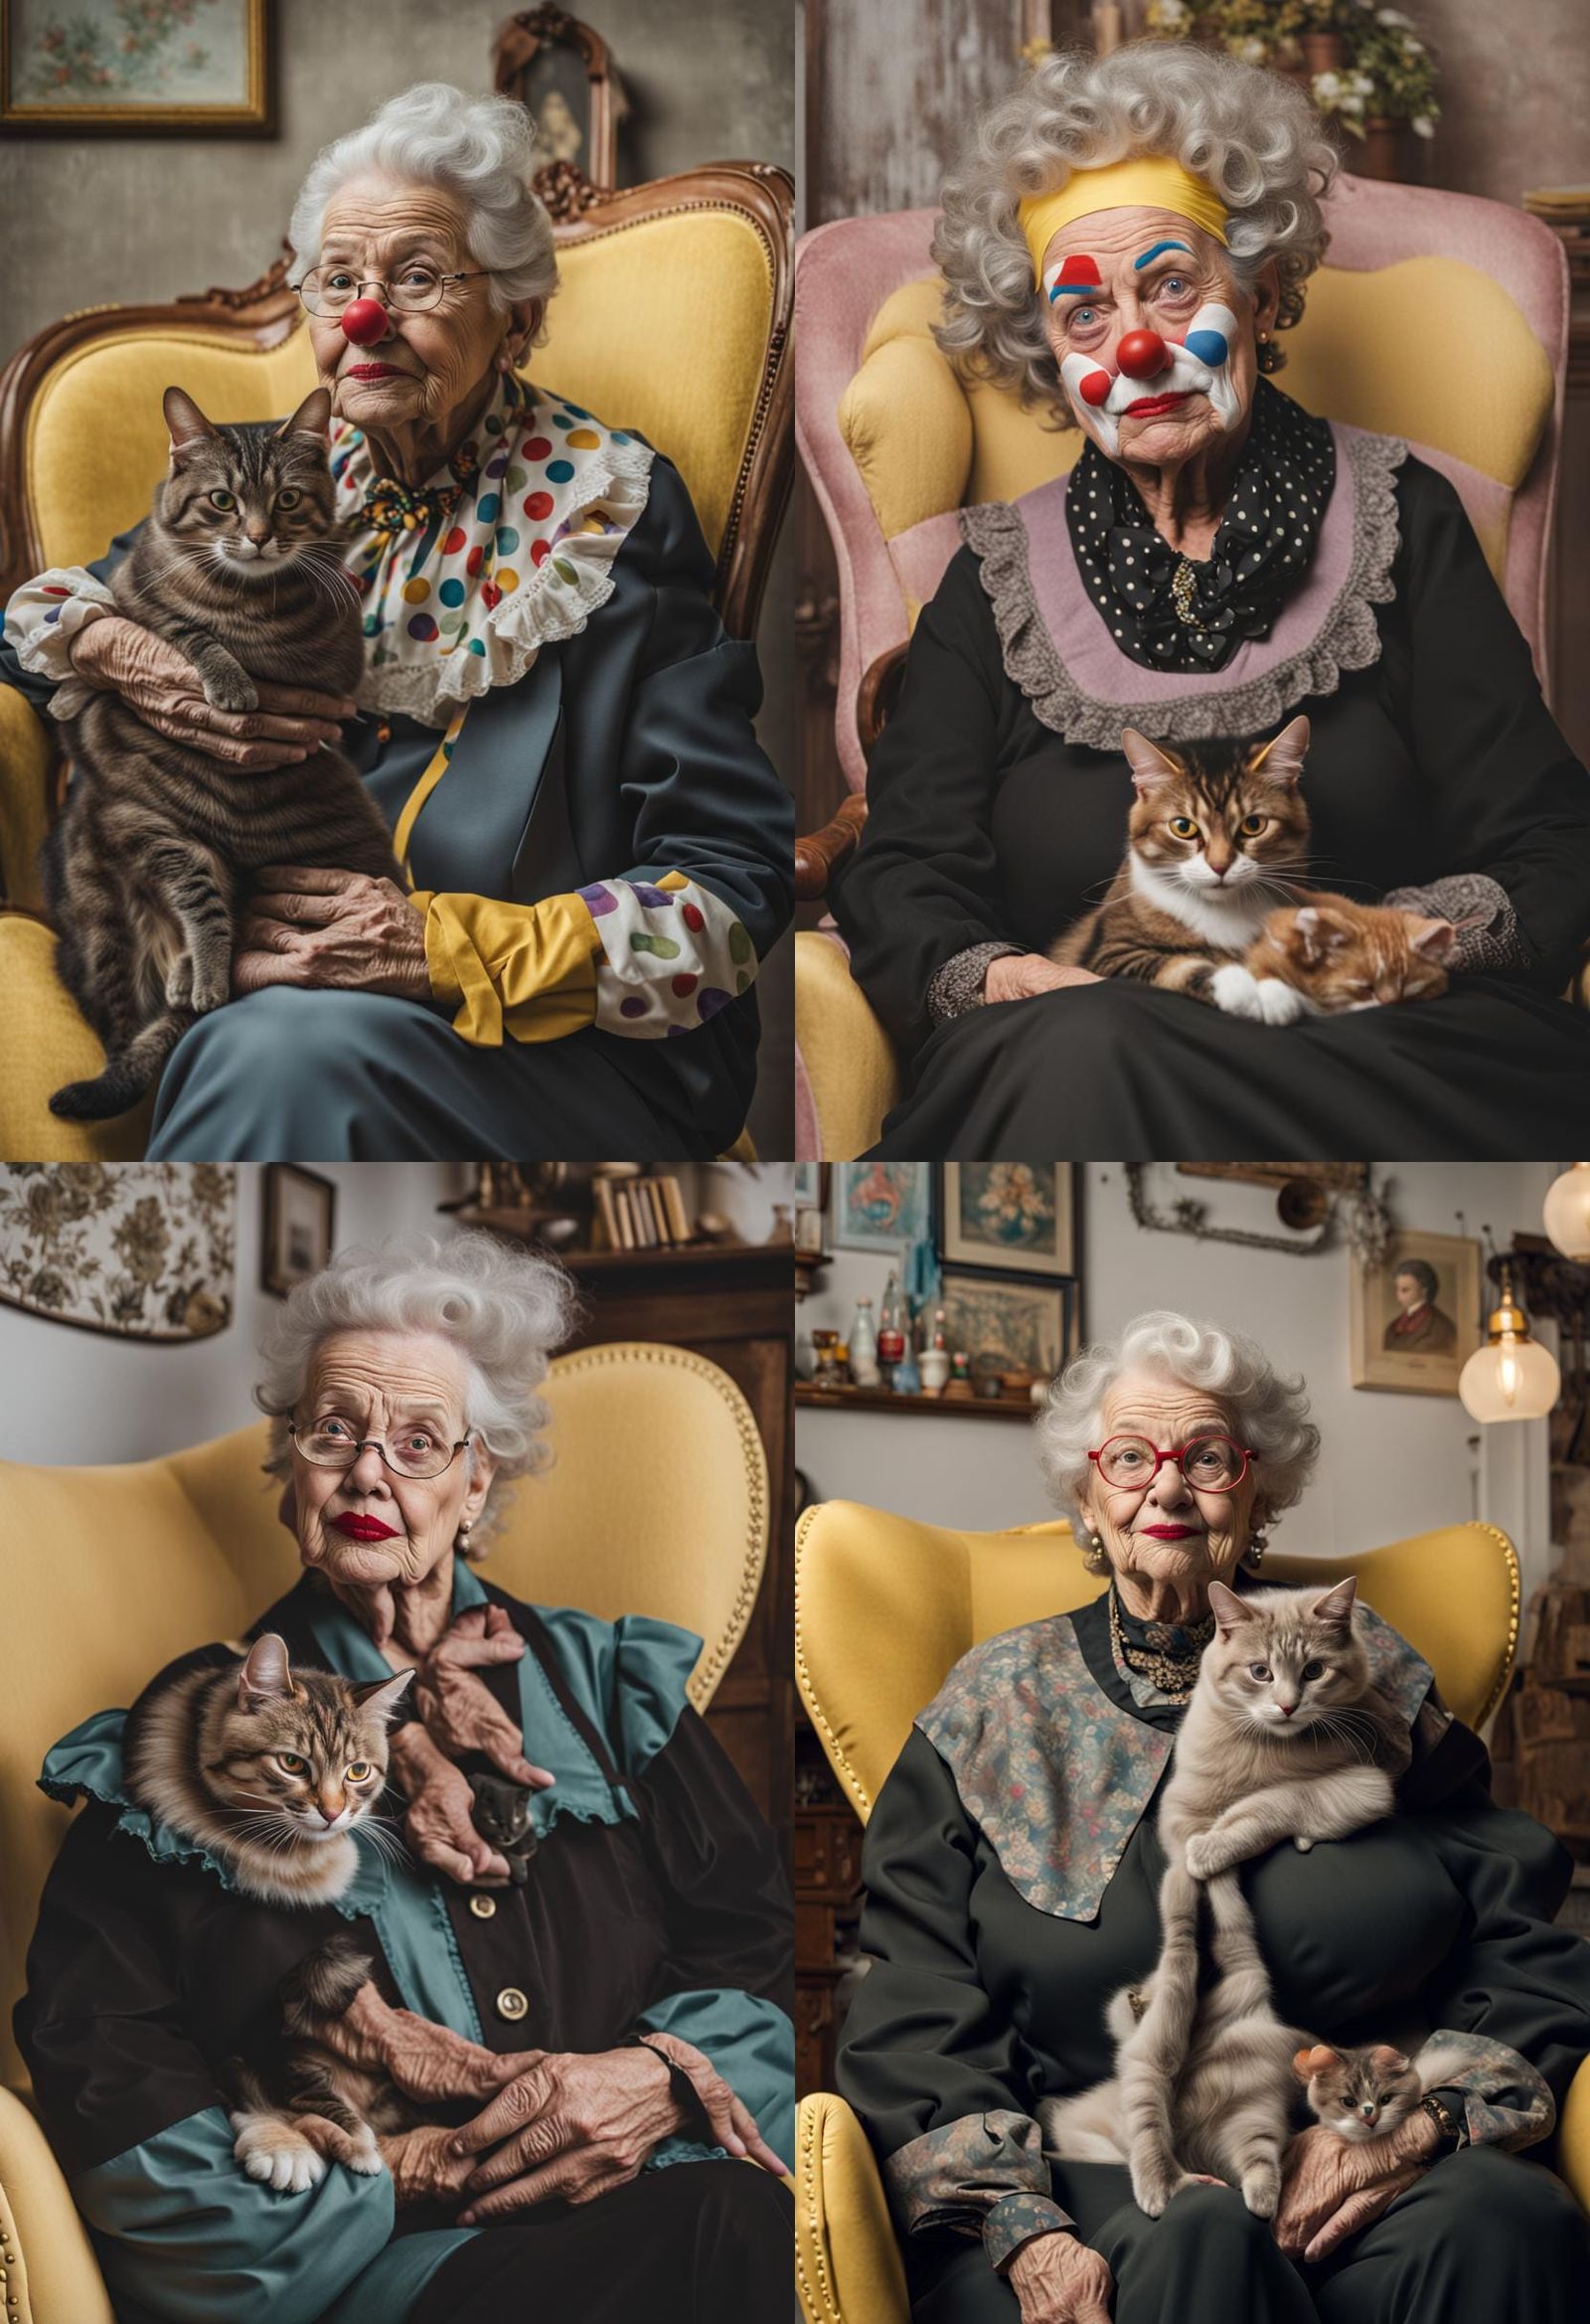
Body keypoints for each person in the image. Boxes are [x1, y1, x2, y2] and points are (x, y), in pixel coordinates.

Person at [1, 82, 791, 1161]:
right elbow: (39, 621)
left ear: (516, 314)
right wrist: (121, 652)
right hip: (272, 993)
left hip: (547, 1045)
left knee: (273, 1053)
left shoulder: (606, 514)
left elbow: (730, 890)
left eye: (416, 278)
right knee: (263, 1039)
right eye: (338, 283)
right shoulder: (281, 494)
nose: (367, 317)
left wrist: (437, 945)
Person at [831, 40, 1590, 1157]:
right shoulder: (990, 580)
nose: (1133, 346)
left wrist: (1401, 941)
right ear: (1046, 351)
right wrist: (999, 976)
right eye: (1082, 315)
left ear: (1265, 291)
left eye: (1171, 286)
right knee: (1081, 1046)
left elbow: (1549, 838)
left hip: (1370, 1042)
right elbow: (900, 869)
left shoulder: (1402, 516)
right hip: (1087, 1035)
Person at [16, 1233, 793, 2324]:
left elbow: (751, 1944)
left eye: (420, 1440)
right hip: (401, 2273)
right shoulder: (199, 1741)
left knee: (724, 2221)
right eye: (334, 1430)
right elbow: (108, 2065)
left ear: (479, 1482)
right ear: (291, 1471)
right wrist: (400, 2173)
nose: (370, 1469)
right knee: (717, 2239)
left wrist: (661, 2077)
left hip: (660, 2192)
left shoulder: (610, 1688)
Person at [838, 1310, 1590, 2324]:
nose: (1167, 1485)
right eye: (1130, 1456)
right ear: (1086, 1496)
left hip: (1351, 2140)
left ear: (1257, 1491)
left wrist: (1422, 2123)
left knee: (1507, 2219)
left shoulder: (1357, 1672)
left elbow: (1518, 1929)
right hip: (1087, 2166)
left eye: (1207, 1457)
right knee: (1200, 2232)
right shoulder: (995, 1702)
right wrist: (1023, 2230)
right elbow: (913, 1996)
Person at [1382, 1259, 1456, 1355]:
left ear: (1423, 1291)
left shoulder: (1443, 1327)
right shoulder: (1392, 1327)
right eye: (1398, 1289)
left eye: (1405, 1290)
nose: (1398, 1296)